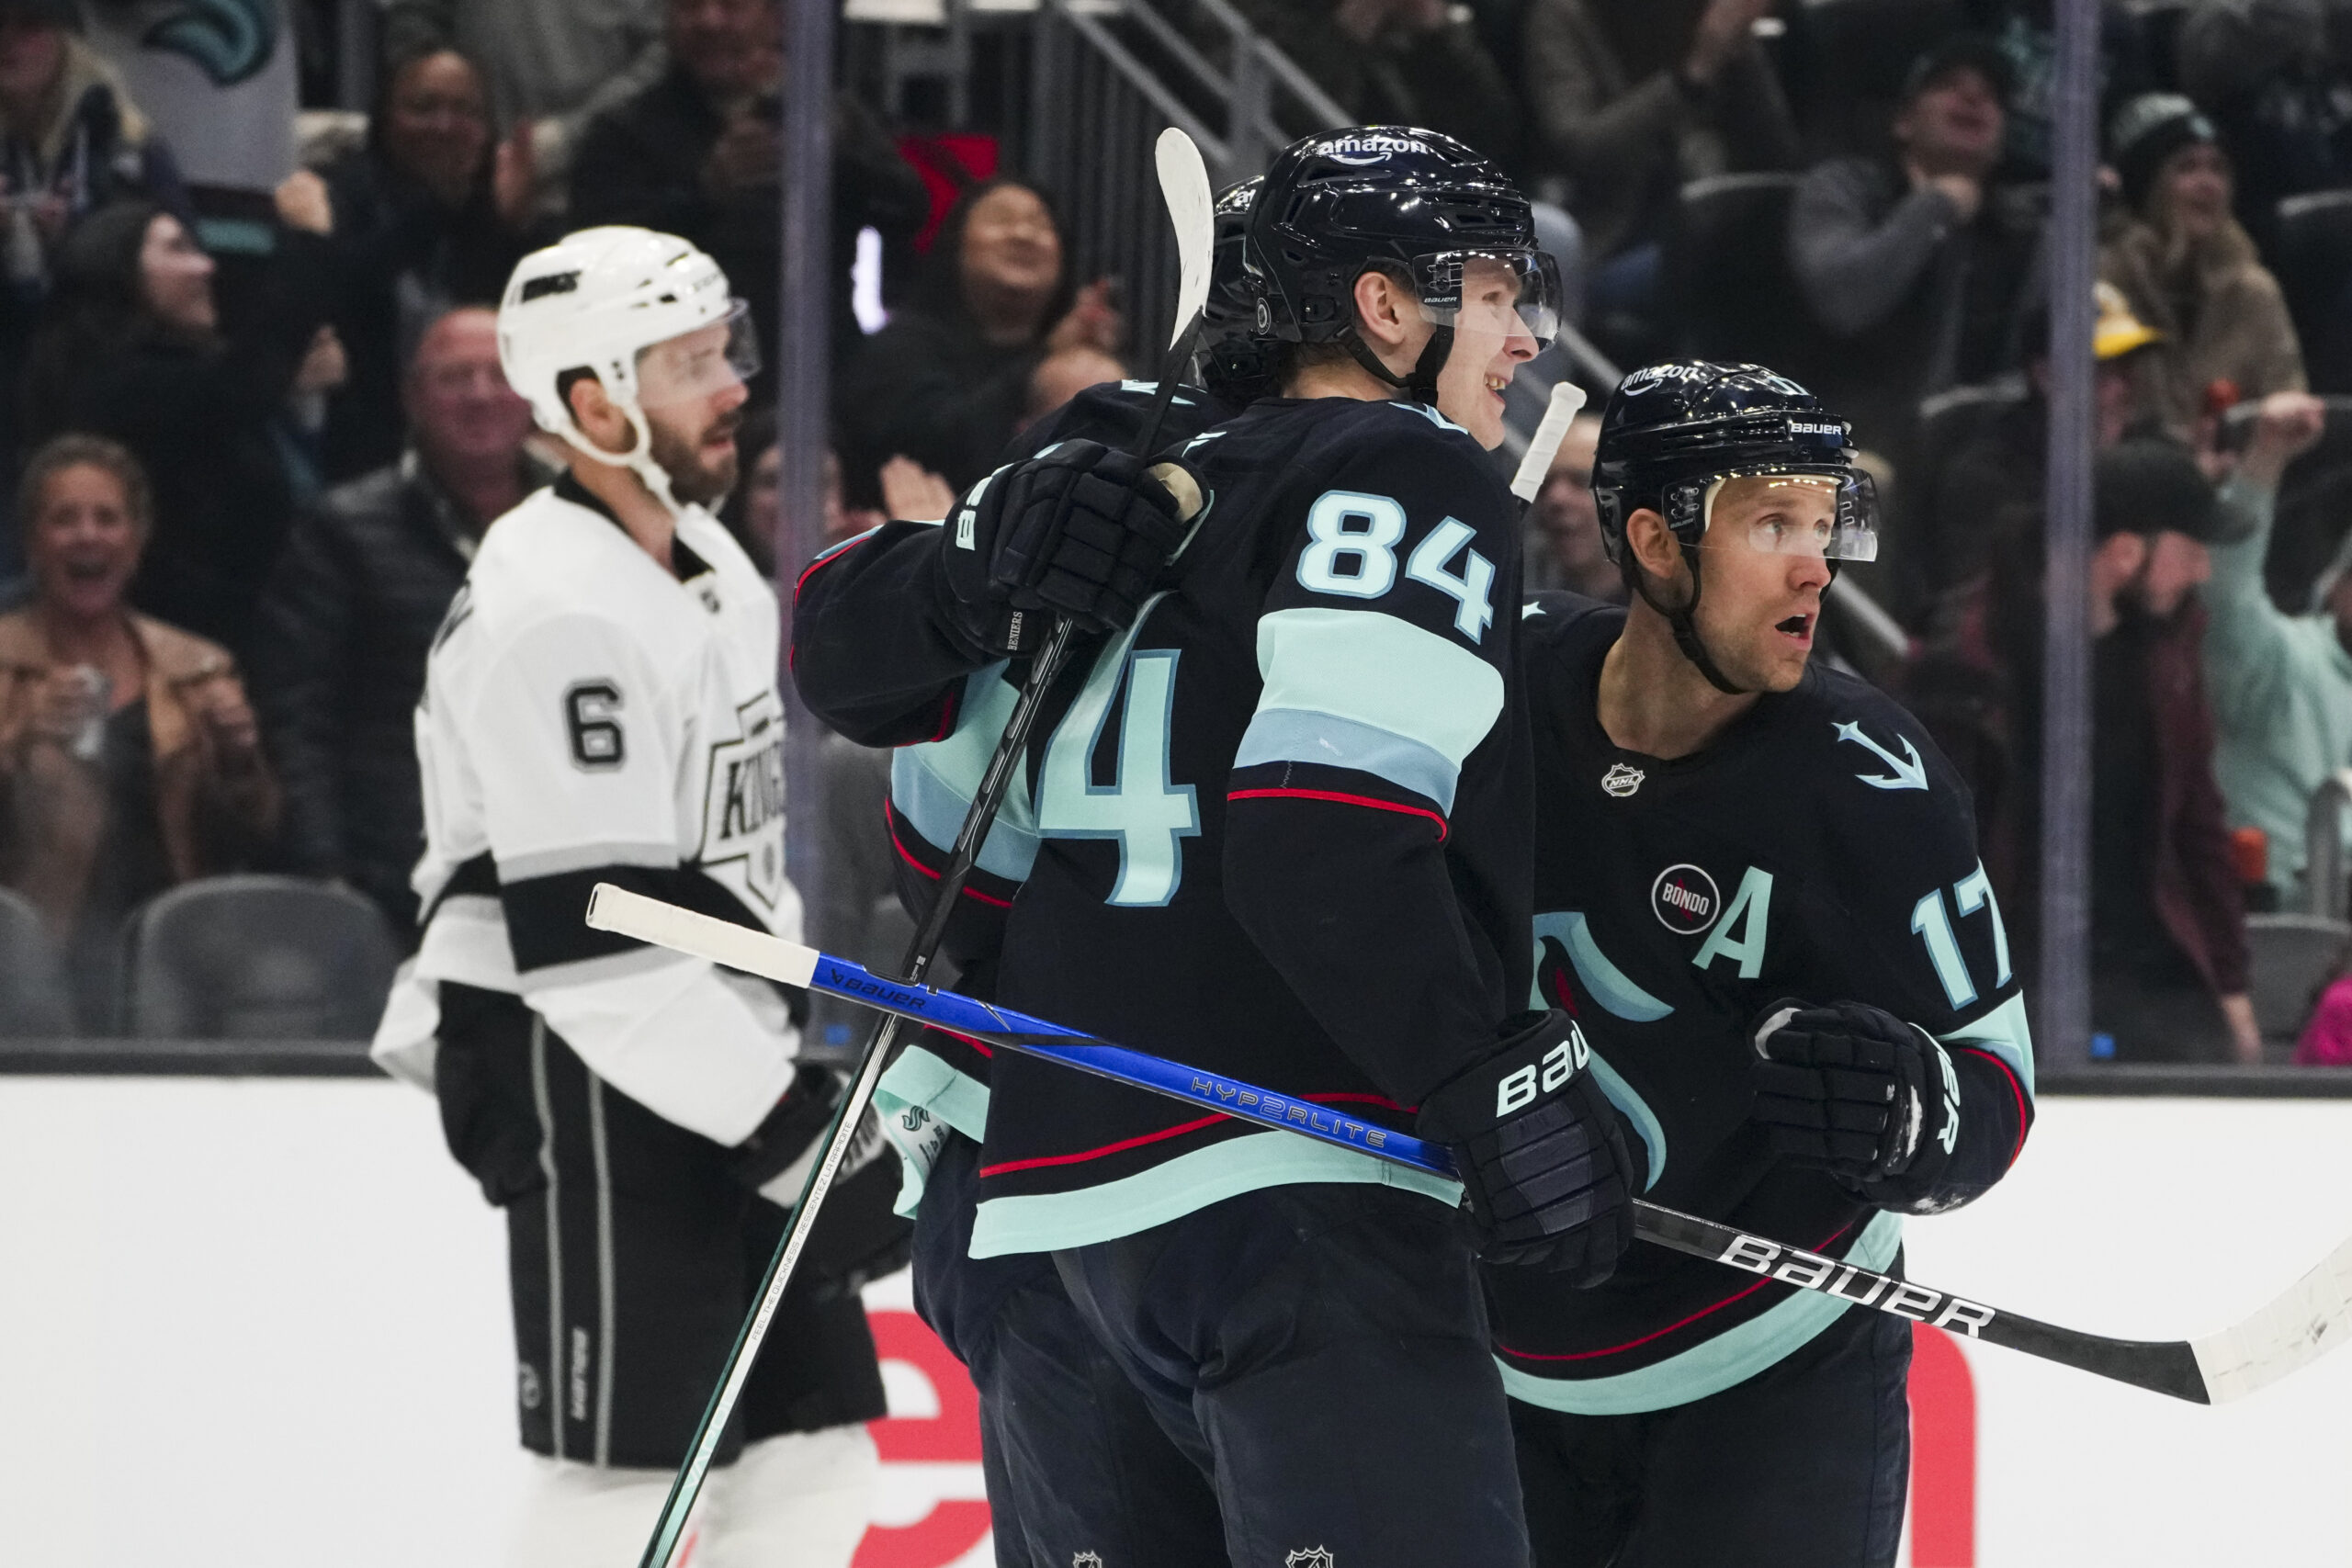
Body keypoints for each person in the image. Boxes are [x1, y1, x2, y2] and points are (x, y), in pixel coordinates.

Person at [797, 127, 1638, 1562]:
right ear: (1386, 309)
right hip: (1296, 1192)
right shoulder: (1409, 466)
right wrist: (1479, 1081)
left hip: (1046, 1207)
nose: (1523, 344)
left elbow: (836, 656)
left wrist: (966, 561)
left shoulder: (1113, 460)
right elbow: (1323, 837)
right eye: (1499, 298)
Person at [367, 228, 891, 1567]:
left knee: (813, 1460)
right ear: (594, 402)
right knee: (624, 1483)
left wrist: (782, 1069)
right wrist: (785, 1131)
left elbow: (721, 870)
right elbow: (593, 945)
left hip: (704, 1043)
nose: (731, 386)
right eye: (690, 362)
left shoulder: (700, 551)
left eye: (729, 352)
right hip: (579, 1058)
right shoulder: (557, 606)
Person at [1487, 361, 2034, 1566]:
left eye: (1822, 525)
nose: (1816, 566)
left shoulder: (1870, 779)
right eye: (1772, 523)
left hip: (1777, 1367)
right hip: (1500, 1372)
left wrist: (1912, 1110)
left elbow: (1995, 1083)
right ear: (1656, 542)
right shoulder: (1490, 695)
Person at [796, 182, 1272, 1565]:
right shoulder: (1097, 475)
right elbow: (850, 654)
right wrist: (974, 570)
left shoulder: (1390, 517)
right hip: (1056, 1160)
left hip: (1267, 1194)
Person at [248, 305, 549, 935]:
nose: (479, 395)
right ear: (412, 397)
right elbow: (297, 718)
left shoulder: (598, 526)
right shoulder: (343, 531)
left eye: (499, 374)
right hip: (400, 884)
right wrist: (325, 873)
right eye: (454, 377)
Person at [1963, 434, 2256, 1062]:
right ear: (2127, 551)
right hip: (2005, 979)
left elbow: (2199, 826)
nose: (2203, 569)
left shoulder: (2166, 654)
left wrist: (2231, 986)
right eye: (2193, 548)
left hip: (2154, 977)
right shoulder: (1970, 666)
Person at [0, 434, 277, 1030]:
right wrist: (19, 741)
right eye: (64, 519)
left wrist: (239, 760)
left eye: (107, 518)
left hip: (171, 957)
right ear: (32, 542)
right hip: (23, 958)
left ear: (136, 542)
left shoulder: (197, 667)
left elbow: (253, 835)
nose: (87, 535)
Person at [21, 196, 339, 655]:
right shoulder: (111, 381)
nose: (206, 267)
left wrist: (299, 393)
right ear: (117, 266)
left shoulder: (172, 372)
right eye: (178, 250)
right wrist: (309, 244)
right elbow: (238, 387)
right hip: (166, 649)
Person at [568, 0, 927, 367]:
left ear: (777, 19)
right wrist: (703, 193)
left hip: (821, 371)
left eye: (732, 6)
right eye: (689, 8)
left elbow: (908, 209)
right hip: (674, 369)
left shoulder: (828, 115)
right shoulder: (623, 131)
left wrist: (838, 152)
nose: (708, 21)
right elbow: (598, 257)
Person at [1789, 35, 2046, 463]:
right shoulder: (1843, 190)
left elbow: (2038, 364)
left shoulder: (2024, 230)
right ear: (1903, 122)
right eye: (1948, 84)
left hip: (1979, 454)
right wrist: (1934, 206)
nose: (1973, 96)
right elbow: (1844, 301)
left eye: (1992, 94)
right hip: (1846, 443)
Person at [311, 47, 538, 482]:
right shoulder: (339, 195)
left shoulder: (506, 207)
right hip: (362, 454)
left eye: (465, 111)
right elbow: (343, 292)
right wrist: (437, 207)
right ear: (384, 115)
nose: (443, 126)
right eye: (422, 108)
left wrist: (507, 230)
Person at [1517, 0, 1799, 348]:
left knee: (1798, 255)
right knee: (1723, 270)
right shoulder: (1564, 15)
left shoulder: (1703, 16)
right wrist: (1692, 75)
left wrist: (1740, 55)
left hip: (1719, 221)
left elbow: (1779, 154)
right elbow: (1582, 151)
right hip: (1617, 240)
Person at [835, 177, 1124, 504]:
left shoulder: (1075, 355)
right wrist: (1044, 360)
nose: (1023, 235)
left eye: (1041, 225)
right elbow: (936, 454)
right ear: (957, 244)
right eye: (1000, 220)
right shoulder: (899, 351)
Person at [2198, 391, 2342, 910]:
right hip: (2279, 931)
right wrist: (2264, 460)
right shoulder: (2279, 658)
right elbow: (2224, 589)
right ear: (2338, 589)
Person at [2099, 92, 2306, 437]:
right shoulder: (2105, 284)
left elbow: (2291, 410)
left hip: (2244, 480)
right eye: (2187, 167)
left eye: (2218, 168)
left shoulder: (2254, 291)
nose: (2208, 184)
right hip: (2131, 483)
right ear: (2148, 186)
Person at [381, 0, 668, 207]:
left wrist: (565, 138)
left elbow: (667, 46)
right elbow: (414, 27)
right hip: (471, 190)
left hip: (614, 183)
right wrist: (441, 122)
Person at [1232, 0, 1521, 164]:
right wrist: (1350, 30)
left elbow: (1491, 133)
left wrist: (1436, 35)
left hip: (1419, 183)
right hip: (1321, 186)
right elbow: (1284, 125)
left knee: (1544, 229)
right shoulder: (1272, 15)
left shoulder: (1413, 22)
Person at [1525, 412, 1621, 600]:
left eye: (1580, 480)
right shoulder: (1537, 614)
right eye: (1544, 485)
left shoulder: (1675, 613)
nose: (1556, 498)